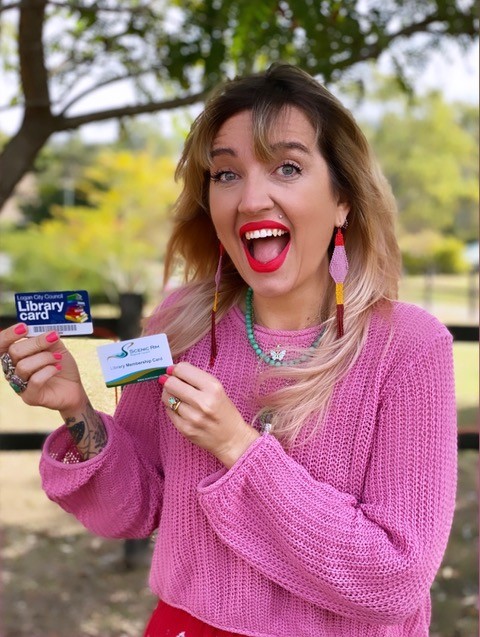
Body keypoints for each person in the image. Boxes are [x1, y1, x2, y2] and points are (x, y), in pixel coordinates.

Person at [0, 64, 457, 637]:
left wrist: (238, 447)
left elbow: (393, 581)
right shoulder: (177, 325)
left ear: (343, 198)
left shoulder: (410, 349)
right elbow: (135, 507)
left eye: (287, 167)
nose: (250, 198)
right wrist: (77, 410)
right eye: (226, 174)